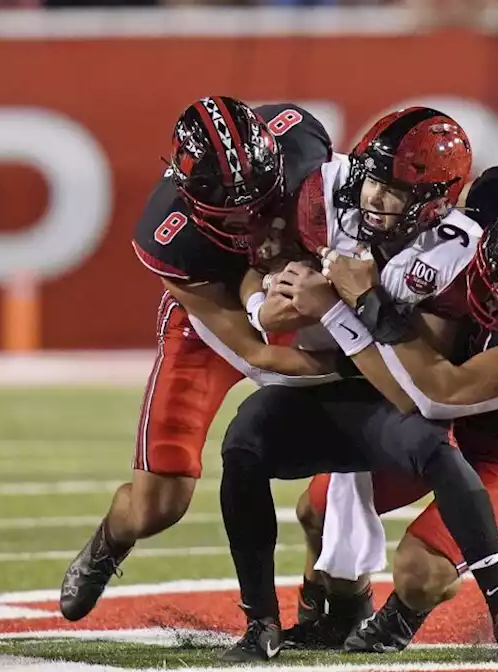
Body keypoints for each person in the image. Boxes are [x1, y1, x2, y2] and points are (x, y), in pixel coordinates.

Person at [215, 109, 498, 663]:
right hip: (347, 379)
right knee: (245, 444)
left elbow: (418, 381)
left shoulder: (452, 250)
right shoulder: (326, 193)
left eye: (395, 190)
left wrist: (342, 309)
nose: (374, 199)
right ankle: (261, 621)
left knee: (437, 456)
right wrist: (266, 295)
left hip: (409, 396)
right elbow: (257, 259)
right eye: (373, 180)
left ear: (437, 201)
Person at [286, 165, 498, 656]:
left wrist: (360, 301)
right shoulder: (493, 202)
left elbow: (442, 389)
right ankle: (340, 612)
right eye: (496, 273)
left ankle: (401, 616)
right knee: (316, 509)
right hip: (443, 417)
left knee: (421, 572)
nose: (497, 298)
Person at [59, 96, 336, 623]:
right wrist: (356, 369)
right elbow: (257, 352)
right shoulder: (170, 236)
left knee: (350, 460)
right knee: (159, 505)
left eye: (259, 201)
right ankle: (110, 540)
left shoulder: (305, 145)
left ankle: (327, 589)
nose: (251, 221)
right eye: (232, 214)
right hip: (213, 324)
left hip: (307, 297)